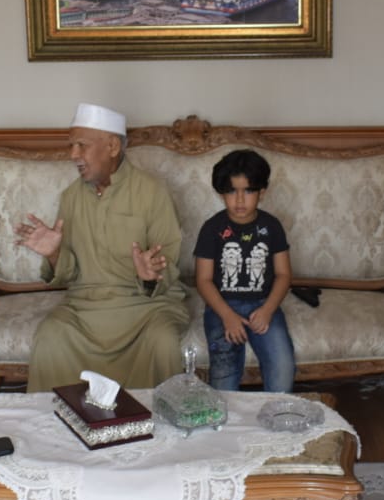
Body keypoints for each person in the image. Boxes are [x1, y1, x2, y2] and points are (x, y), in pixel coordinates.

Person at [16, 103, 189, 392]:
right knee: (50, 335)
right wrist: (54, 253)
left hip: (146, 308)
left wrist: (150, 274)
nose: (73, 155)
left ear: (112, 147)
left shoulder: (152, 192)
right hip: (84, 308)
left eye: (82, 145)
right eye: (71, 146)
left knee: (162, 339)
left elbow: (167, 260)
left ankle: (154, 419)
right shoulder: (71, 197)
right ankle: (63, 420)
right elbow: (68, 273)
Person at [194, 149, 296, 392]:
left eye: (248, 191)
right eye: (232, 191)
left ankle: (278, 412)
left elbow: (283, 275)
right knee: (223, 376)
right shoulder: (212, 228)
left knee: (283, 366)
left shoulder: (272, 227)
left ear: (262, 191)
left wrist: (268, 310)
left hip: (263, 304)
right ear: (221, 193)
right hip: (222, 306)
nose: (240, 200)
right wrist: (227, 316)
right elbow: (203, 280)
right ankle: (226, 416)